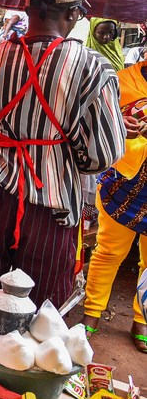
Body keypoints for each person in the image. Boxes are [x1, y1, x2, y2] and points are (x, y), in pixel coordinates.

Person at [0, 0, 126, 306]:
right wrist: (60, 147)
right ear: (72, 13)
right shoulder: (93, 69)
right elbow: (101, 155)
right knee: (41, 311)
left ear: (27, 9)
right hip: (51, 208)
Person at [82, 58, 147, 352]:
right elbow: (98, 122)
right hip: (124, 182)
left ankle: (141, 317)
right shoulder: (122, 80)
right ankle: (91, 312)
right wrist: (121, 124)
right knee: (108, 250)